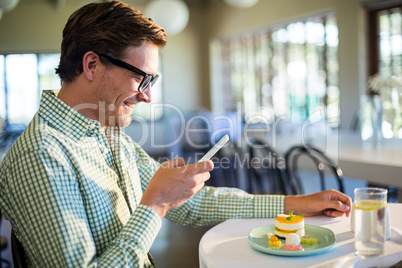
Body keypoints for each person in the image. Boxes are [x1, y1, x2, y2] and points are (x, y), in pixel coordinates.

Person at [0, 1, 351, 267]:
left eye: (152, 81)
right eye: (142, 78)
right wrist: (156, 204)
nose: (148, 95)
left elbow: (193, 202)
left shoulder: (105, 133)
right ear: (92, 65)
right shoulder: (42, 155)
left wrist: (292, 205)